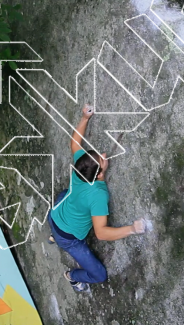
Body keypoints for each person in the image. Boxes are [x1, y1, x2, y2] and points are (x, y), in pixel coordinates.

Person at [47, 104, 146, 292]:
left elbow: (74, 143)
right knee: (99, 275)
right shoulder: (99, 195)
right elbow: (101, 233)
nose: (103, 156)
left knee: (64, 194)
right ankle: (72, 277)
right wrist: (133, 229)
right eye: (102, 160)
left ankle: (53, 235)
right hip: (69, 238)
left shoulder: (80, 166)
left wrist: (85, 118)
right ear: (100, 175)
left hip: (55, 214)